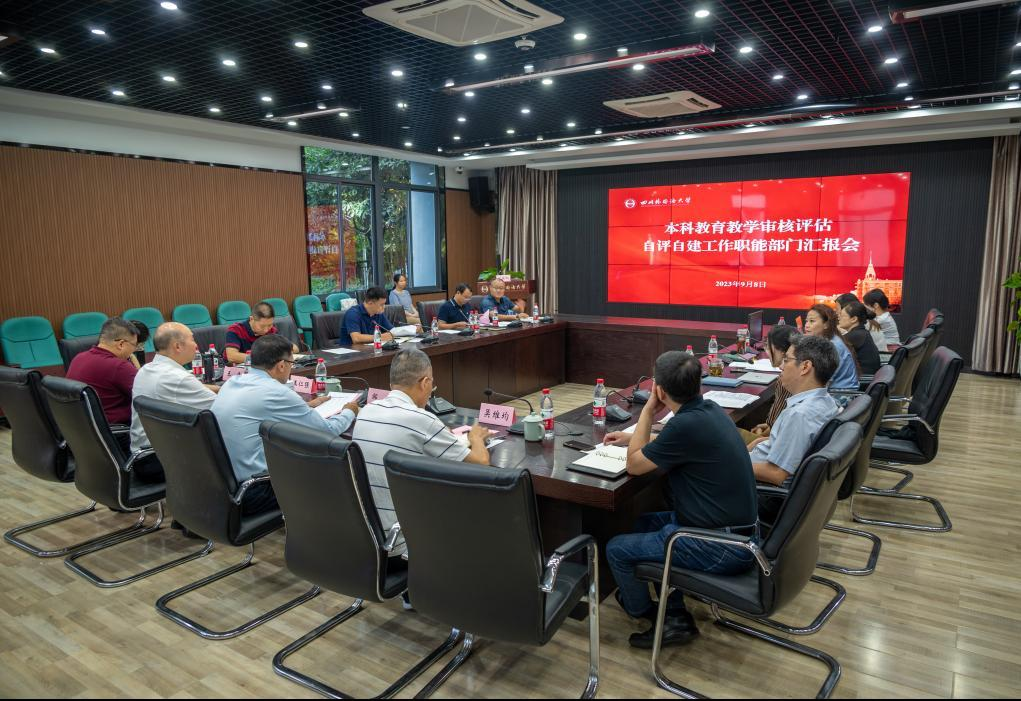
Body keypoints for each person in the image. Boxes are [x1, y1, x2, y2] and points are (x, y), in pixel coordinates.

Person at [603, 351, 757, 649]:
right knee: (642, 523)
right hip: (735, 534)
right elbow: (675, 443)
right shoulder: (709, 410)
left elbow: (634, 465)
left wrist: (648, 411)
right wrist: (634, 438)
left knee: (617, 549)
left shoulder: (684, 425)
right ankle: (674, 611)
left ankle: (648, 614)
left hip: (720, 546)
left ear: (659, 390)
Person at [352, 348, 490, 557]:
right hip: (403, 541)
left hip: (365, 536)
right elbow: (481, 463)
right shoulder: (422, 420)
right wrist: (476, 438)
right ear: (425, 382)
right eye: (432, 385)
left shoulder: (367, 411)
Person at [211, 334, 359, 515]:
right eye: (291, 363)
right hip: (254, 490)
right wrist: (350, 410)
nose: (291, 368)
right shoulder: (276, 391)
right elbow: (327, 432)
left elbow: (261, 409)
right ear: (281, 365)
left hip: (221, 486)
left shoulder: (233, 383)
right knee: (332, 471)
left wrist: (305, 406)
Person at [746, 334, 840, 488]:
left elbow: (776, 474)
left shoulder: (800, 415)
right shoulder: (827, 402)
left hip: (754, 486)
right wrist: (757, 442)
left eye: (787, 360)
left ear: (805, 367)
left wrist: (732, 463)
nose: (781, 366)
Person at [129, 322, 219, 453]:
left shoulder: (146, 369)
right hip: (161, 455)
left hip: (144, 449)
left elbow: (190, 387)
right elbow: (221, 408)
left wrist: (219, 388)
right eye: (192, 339)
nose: (196, 345)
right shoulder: (178, 378)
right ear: (177, 346)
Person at [66, 317, 139, 426]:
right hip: (118, 430)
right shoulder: (119, 367)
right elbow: (149, 397)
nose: (134, 350)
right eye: (134, 345)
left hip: (84, 428)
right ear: (121, 344)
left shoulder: (78, 358)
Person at [745, 324, 800, 439]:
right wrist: (768, 426)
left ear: (782, 351)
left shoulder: (786, 380)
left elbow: (776, 431)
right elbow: (778, 422)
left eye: (768, 347)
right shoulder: (799, 374)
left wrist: (761, 436)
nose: (766, 351)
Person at [803, 303, 859, 390]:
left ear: (826, 324)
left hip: (838, 394)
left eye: (812, 321)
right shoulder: (828, 339)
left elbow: (822, 381)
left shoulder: (832, 346)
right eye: (806, 321)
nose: (806, 325)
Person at [225, 302, 297, 364]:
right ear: (252, 319)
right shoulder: (236, 330)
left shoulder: (272, 331)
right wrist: (263, 359)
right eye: (262, 326)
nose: (266, 330)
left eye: (269, 325)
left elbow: (294, 348)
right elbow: (232, 356)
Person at [837, 301, 882, 373]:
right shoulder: (861, 333)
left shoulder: (855, 336)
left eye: (842, 315)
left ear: (854, 319)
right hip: (865, 375)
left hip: (861, 378)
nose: (838, 318)